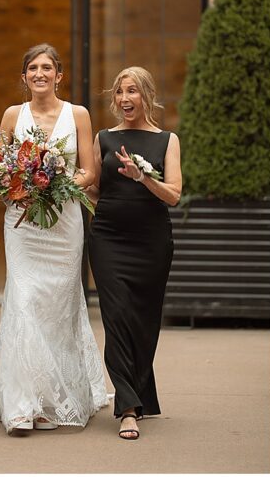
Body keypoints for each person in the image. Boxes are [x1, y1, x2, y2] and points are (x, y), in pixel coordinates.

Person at [0, 44, 110, 435]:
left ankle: (55, 397)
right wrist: (14, 184)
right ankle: (23, 405)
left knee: (58, 305)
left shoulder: (79, 115)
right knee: (24, 298)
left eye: (47, 68)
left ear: (59, 75)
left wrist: (56, 185)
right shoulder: (11, 115)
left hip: (65, 221)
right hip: (24, 223)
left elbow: (89, 173)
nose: (40, 74)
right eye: (33, 68)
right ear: (24, 77)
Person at [88, 66, 181, 441]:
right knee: (117, 317)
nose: (125, 99)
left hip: (152, 241)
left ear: (147, 95)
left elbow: (174, 195)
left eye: (133, 92)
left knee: (143, 321)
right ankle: (127, 407)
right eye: (119, 93)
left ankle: (142, 393)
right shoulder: (104, 138)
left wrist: (143, 177)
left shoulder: (167, 141)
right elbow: (92, 188)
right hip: (108, 238)